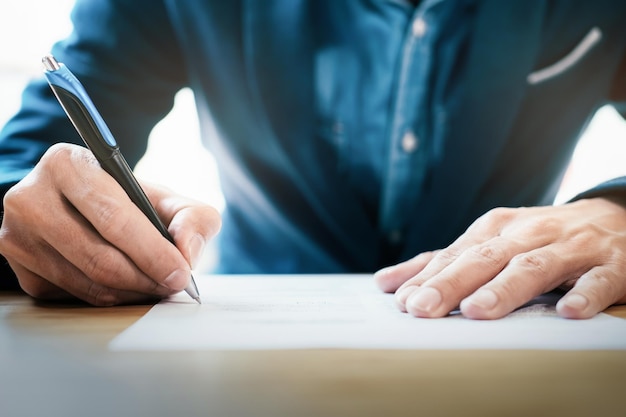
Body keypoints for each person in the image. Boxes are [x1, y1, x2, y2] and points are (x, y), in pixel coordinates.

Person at [1, 0, 625, 320]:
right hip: (247, 350)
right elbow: (22, 165)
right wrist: (42, 220)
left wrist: (618, 209)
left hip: (508, 342)